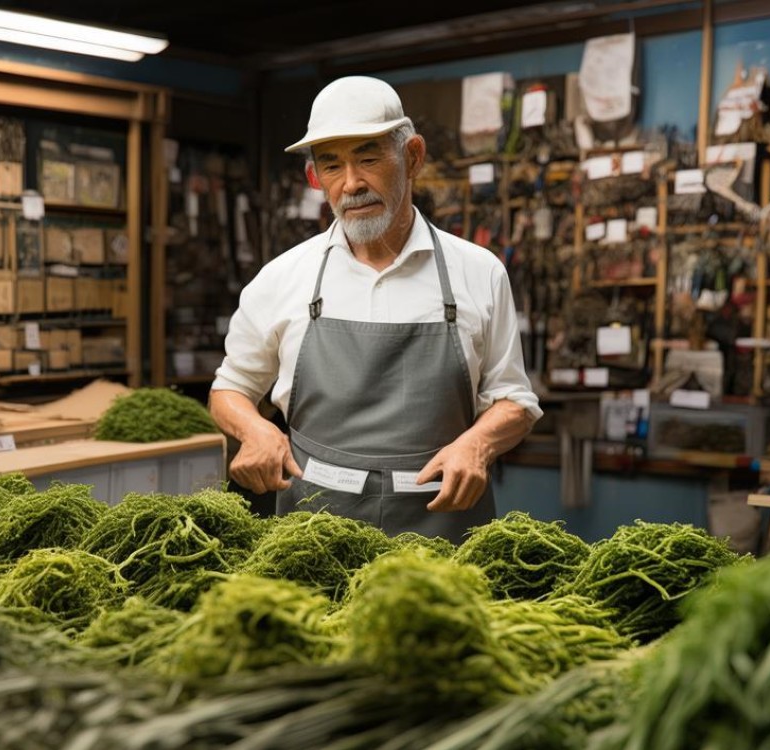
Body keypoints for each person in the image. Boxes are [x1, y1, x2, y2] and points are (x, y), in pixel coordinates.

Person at [209, 76, 542, 544]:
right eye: (331, 166)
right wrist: (255, 430)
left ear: (412, 157)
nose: (351, 184)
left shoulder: (479, 272)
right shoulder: (282, 277)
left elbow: (515, 400)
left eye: (368, 158)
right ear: (314, 178)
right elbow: (230, 389)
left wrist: (478, 444)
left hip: (445, 534)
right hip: (312, 538)